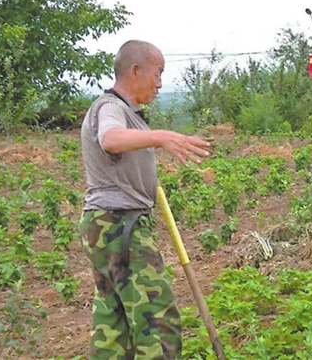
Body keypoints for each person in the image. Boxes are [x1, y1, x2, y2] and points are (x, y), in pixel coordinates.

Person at [79, 40, 212, 359]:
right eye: (158, 72)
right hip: (119, 225)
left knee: (113, 325)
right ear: (135, 70)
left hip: (106, 225)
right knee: (156, 320)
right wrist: (162, 137)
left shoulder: (128, 112)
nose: (160, 83)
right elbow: (110, 139)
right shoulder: (110, 107)